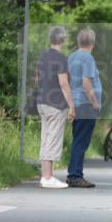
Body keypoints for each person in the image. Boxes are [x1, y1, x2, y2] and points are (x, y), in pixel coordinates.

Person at [36, 26, 75, 188]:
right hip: (56, 103)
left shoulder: (42, 56)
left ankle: (45, 176)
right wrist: (72, 106)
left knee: (46, 138)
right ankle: (47, 177)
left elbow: (37, 80)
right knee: (53, 139)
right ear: (63, 40)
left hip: (42, 102)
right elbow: (64, 83)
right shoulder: (61, 58)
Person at [65, 28, 102, 188]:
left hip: (76, 103)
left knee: (78, 140)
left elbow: (67, 81)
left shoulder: (71, 57)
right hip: (86, 105)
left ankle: (75, 174)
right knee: (81, 141)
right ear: (93, 43)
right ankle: (75, 176)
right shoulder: (88, 58)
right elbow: (87, 84)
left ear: (78, 41)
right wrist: (95, 103)